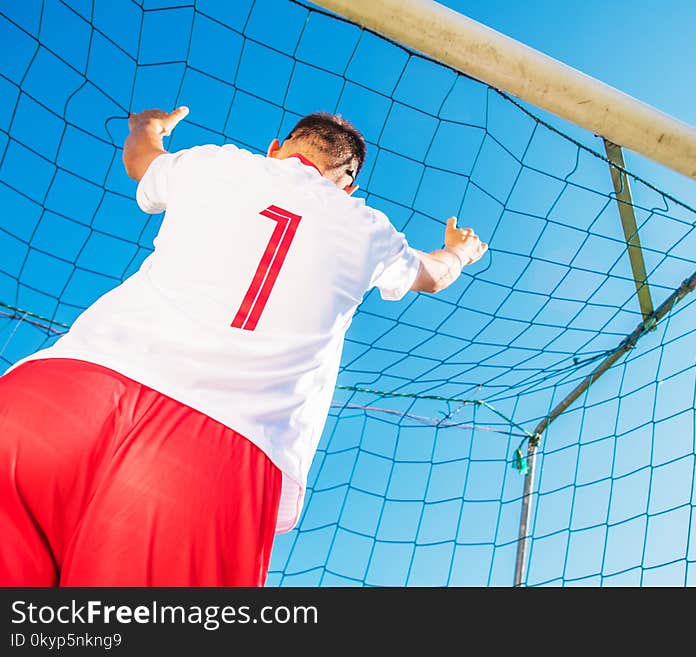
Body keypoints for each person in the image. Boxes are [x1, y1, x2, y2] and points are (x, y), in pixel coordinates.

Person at [0, 106, 488, 586]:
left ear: (276, 149)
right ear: (348, 186)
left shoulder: (216, 162)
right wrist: (462, 249)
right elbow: (435, 274)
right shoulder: (371, 229)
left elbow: (140, 161)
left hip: (59, 394)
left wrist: (147, 125)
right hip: (212, 449)